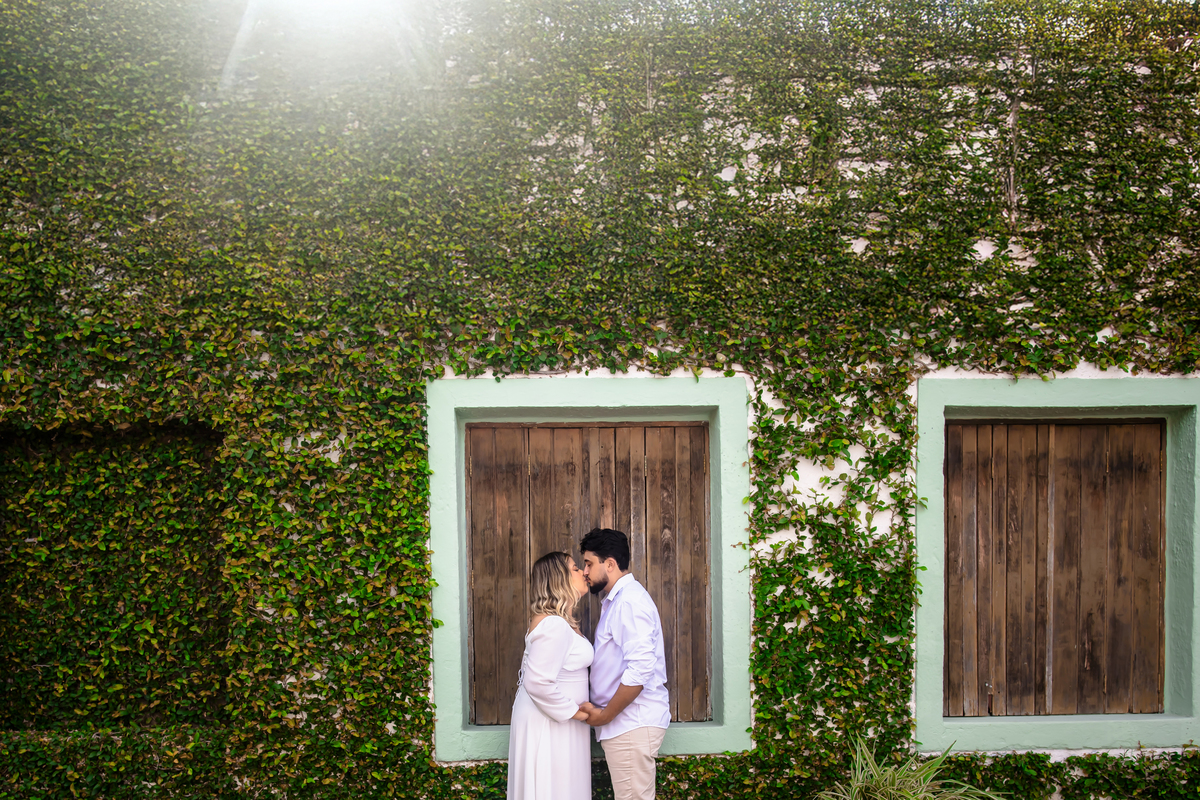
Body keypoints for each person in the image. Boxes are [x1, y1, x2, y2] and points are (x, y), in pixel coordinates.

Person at [579, 527, 670, 800]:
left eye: (588, 564)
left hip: (631, 724)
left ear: (610, 564)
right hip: (627, 725)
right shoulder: (618, 601)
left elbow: (641, 669)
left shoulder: (629, 602)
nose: (585, 571)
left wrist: (605, 716)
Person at [507, 551, 597, 800]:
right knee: (553, 788)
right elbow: (538, 682)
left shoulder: (560, 622)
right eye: (576, 568)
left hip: (559, 719)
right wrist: (577, 713)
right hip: (551, 721)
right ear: (560, 579)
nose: (583, 572)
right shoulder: (555, 625)